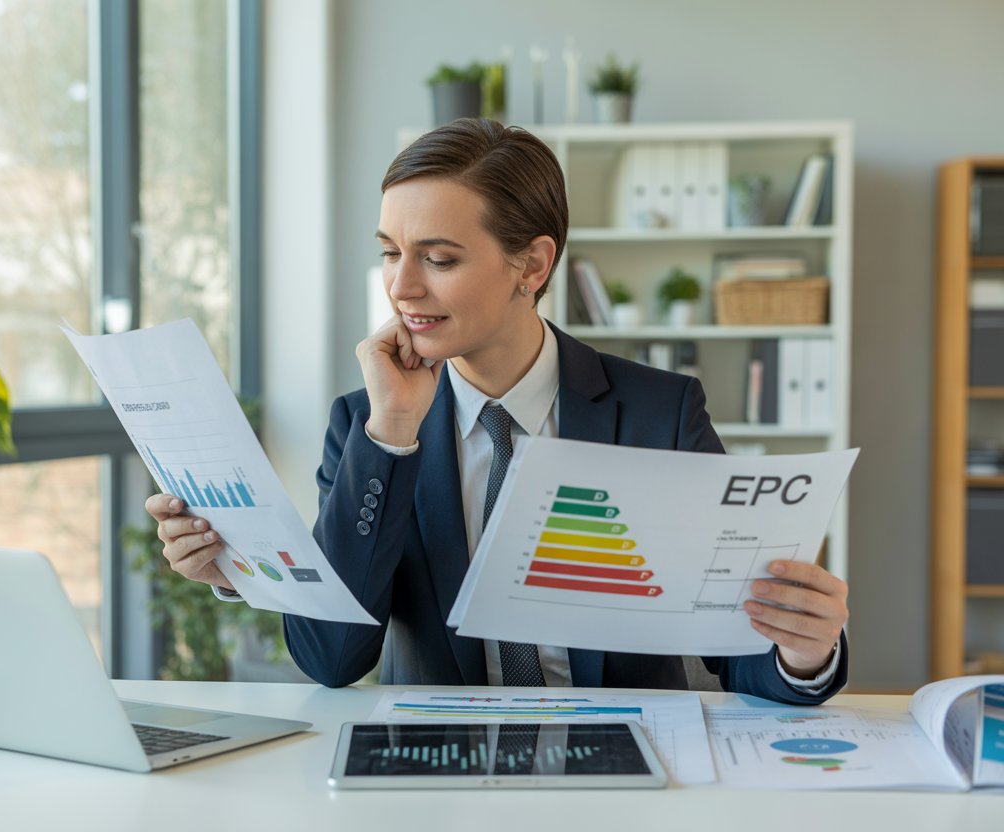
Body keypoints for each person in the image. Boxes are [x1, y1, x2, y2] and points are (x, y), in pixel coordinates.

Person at [146, 119, 848, 703]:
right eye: (390, 253)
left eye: (439, 258)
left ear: (532, 266)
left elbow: (738, 653)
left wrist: (803, 652)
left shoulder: (659, 413)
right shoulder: (363, 424)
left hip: (622, 764)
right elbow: (333, 658)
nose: (402, 286)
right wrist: (390, 437)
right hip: (438, 773)